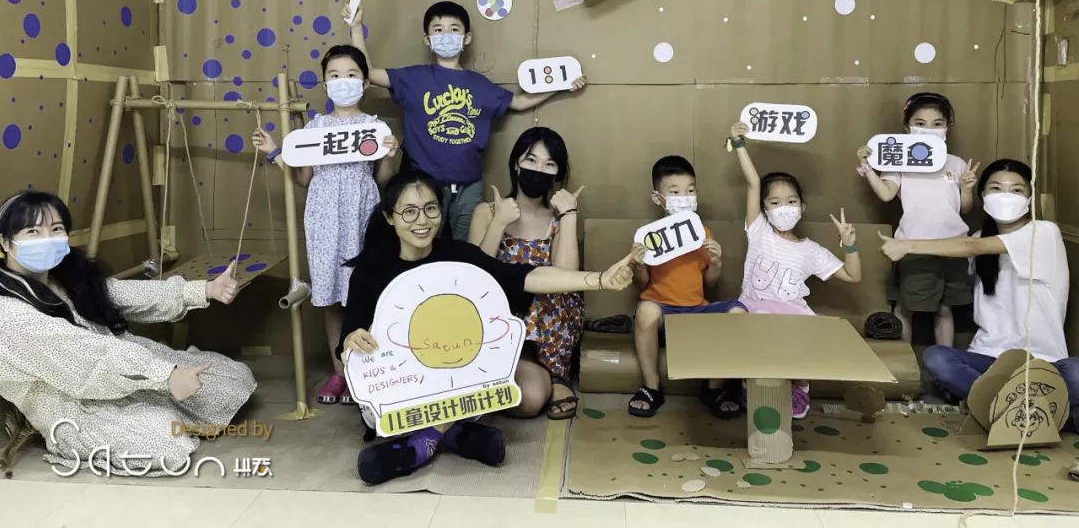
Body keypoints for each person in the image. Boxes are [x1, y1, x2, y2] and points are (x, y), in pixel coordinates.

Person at [337, 171, 633, 485]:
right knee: (381, 413)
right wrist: (353, 341)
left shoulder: (459, 257)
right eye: (409, 211)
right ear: (389, 217)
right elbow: (347, 342)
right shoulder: (369, 271)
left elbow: (526, 276)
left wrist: (600, 279)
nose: (422, 220)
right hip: (402, 389)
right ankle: (452, 434)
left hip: (455, 378)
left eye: (430, 209)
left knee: (493, 380)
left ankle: (425, 441)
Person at [0, 191, 255, 475]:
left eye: (56, 229)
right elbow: (90, 356)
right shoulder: (7, 313)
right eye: (33, 231)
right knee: (168, 444)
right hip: (72, 405)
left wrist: (204, 290)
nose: (47, 239)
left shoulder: (63, 276)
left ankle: (164, 409)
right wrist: (165, 376)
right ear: (5, 242)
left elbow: (123, 294)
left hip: (120, 376)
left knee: (233, 381)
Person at [341, 0, 585, 240]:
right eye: (438, 30)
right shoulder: (413, 77)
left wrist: (563, 84)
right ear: (428, 39)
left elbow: (519, 102)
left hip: (469, 186)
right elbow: (367, 73)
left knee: (468, 250)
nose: (446, 35)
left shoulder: (480, 85)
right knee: (421, 245)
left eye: (454, 29)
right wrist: (356, 28)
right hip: (424, 183)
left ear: (466, 38)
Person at [251, 42, 398, 406]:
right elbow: (303, 179)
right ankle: (339, 373)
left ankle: (366, 372)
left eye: (351, 74)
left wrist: (391, 154)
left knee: (364, 294)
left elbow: (383, 180)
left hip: (362, 216)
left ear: (364, 82)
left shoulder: (374, 127)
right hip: (324, 220)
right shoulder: (313, 129)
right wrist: (275, 151)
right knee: (331, 298)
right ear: (325, 83)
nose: (342, 81)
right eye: (334, 75)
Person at [879, 159, 1079, 423]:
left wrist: (907, 245)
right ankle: (1030, 412)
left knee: (1076, 372)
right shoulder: (977, 237)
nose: (1006, 196)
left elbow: (971, 248)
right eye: (996, 188)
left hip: (1044, 364)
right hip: (989, 362)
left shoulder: (1044, 232)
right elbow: (964, 247)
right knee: (936, 357)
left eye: (1017, 190)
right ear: (983, 195)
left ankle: (997, 408)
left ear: (1029, 198)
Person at [729, 122, 862, 419]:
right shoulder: (759, 231)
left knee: (807, 333)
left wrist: (850, 245)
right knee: (743, 322)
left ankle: (799, 387)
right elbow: (752, 182)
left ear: (802, 207)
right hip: (755, 310)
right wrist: (739, 144)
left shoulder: (811, 250)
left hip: (792, 316)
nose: (784, 207)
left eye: (791, 201)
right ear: (764, 209)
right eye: (775, 202)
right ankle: (750, 384)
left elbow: (853, 276)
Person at [468, 127, 585, 419]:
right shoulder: (487, 211)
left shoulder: (557, 219)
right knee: (528, 400)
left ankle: (553, 375)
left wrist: (569, 215)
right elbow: (472, 276)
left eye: (549, 164)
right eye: (531, 160)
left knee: (549, 291)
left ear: (557, 174)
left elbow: (566, 277)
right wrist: (499, 223)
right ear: (516, 164)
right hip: (497, 318)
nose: (538, 170)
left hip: (545, 320)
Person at [626, 155, 747, 419]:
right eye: (675, 192)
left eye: (690, 190)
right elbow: (641, 284)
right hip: (662, 313)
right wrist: (638, 265)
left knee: (738, 311)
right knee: (646, 310)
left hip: (697, 311)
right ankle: (651, 387)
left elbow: (709, 283)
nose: (685, 197)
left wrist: (716, 263)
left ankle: (714, 388)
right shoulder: (649, 237)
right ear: (658, 198)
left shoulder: (703, 233)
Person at [856, 92, 978, 346]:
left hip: (953, 247)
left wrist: (967, 188)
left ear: (947, 126)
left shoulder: (956, 164)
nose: (929, 129)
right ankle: (905, 364)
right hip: (913, 246)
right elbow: (886, 194)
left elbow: (965, 209)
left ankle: (944, 359)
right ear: (907, 127)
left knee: (944, 308)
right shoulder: (898, 160)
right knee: (905, 306)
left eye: (937, 123)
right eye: (920, 124)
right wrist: (867, 167)